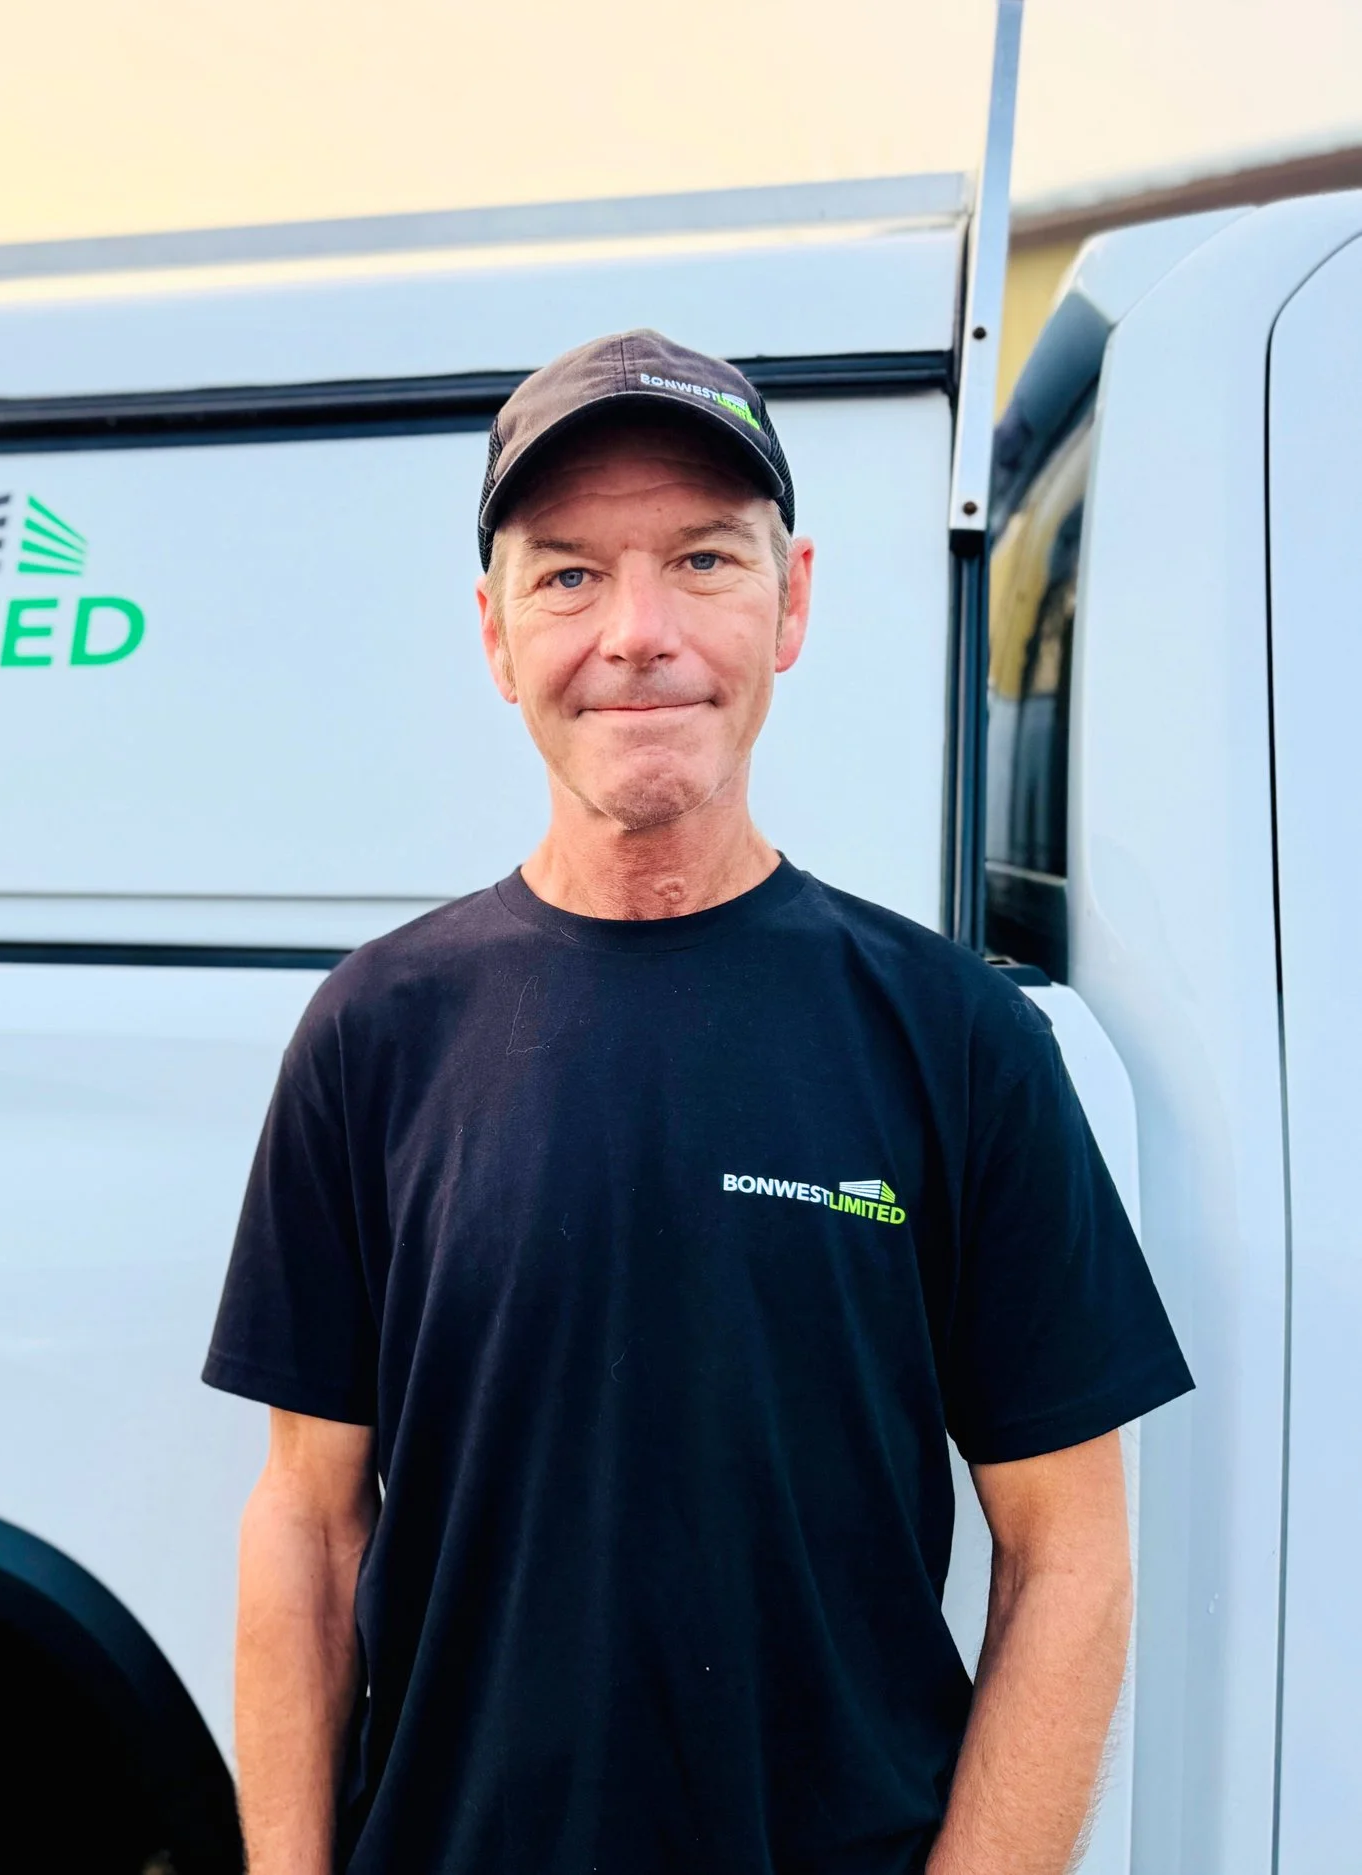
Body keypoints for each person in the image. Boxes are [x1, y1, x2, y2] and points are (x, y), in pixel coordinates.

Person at [202, 330, 1193, 1875]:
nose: (639, 633)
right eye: (570, 575)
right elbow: (307, 1524)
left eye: (703, 560)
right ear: (495, 630)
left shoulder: (957, 1037)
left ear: (792, 600)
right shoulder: (375, 1032)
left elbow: (1070, 1552)